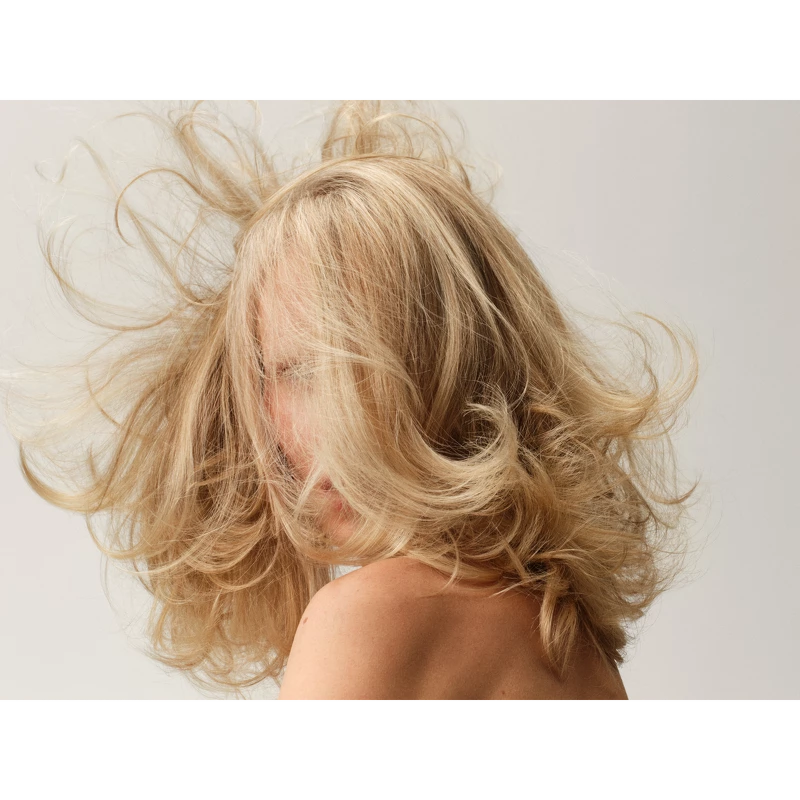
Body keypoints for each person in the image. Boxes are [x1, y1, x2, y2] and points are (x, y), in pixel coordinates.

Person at [2, 97, 700, 702]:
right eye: (291, 371)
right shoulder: (578, 651)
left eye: (355, 367)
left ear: (457, 367)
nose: (324, 428)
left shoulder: (370, 617)